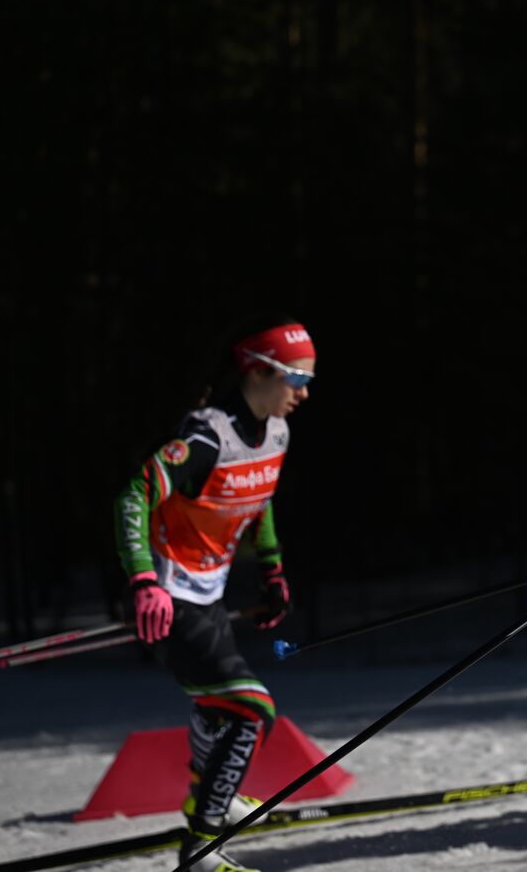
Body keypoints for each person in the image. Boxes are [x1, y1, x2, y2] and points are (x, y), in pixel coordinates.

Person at [114, 317, 316, 872]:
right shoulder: (204, 437)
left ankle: (212, 799)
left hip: (211, 594)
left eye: (308, 381)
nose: (303, 392)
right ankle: (202, 845)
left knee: (216, 703)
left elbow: (262, 495)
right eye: (296, 378)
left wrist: (272, 572)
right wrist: (142, 582)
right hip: (171, 597)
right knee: (251, 708)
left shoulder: (275, 431)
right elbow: (134, 496)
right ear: (257, 372)